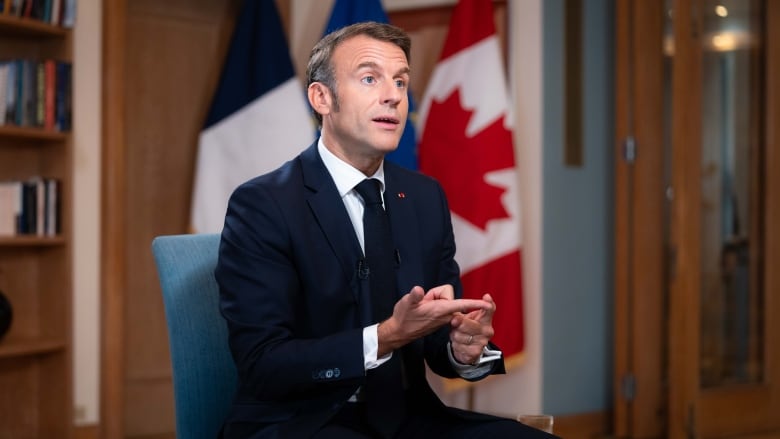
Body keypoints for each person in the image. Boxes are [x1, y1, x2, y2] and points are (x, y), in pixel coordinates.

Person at [216, 21, 559, 439]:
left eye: (400, 81)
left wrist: (463, 351)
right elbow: (263, 363)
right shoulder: (263, 204)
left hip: (407, 418)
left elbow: (436, 338)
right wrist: (382, 338)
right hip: (303, 420)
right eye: (369, 78)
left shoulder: (424, 197)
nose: (394, 95)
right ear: (322, 97)